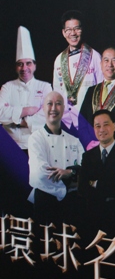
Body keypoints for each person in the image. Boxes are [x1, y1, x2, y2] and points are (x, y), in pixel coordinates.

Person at [27, 92, 83, 224]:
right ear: (43, 108)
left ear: (63, 108)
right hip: (45, 202)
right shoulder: (36, 138)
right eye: (49, 104)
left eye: (58, 104)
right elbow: (40, 174)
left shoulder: (74, 141)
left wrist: (69, 172)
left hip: (71, 205)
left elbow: (87, 171)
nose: (53, 108)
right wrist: (71, 179)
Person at [78, 109, 115, 234]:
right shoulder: (87, 156)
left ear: (114, 126)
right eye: (97, 126)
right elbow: (82, 187)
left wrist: (94, 183)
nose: (102, 129)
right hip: (93, 218)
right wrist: (111, 182)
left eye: (106, 124)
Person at [0, 26, 50, 150]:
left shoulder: (45, 87)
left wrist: (18, 121)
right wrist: (27, 110)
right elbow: (0, 113)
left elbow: (48, 116)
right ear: (16, 67)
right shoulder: (7, 87)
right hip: (11, 146)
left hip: (38, 146)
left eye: (28, 63)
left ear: (35, 66)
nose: (24, 68)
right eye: (20, 64)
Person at [52, 10, 103, 130]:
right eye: (68, 30)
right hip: (67, 122)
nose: (73, 33)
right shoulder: (59, 60)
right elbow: (57, 93)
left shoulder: (95, 56)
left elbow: (102, 89)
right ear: (63, 33)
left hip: (90, 120)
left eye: (77, 28)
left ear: (82, 30)